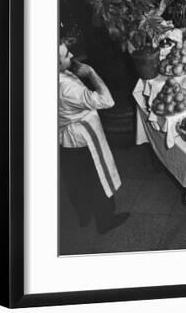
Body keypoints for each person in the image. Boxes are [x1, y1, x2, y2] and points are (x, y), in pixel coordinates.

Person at [58, 39, 129, 234]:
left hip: (65, 139)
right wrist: (91, 73)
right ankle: (105, 220)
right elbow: (107, 100)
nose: (71, 56)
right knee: (97, 176)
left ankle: (84, 214)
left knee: (75, 179)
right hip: (82, 137)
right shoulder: (67, 89)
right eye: (66, 55)